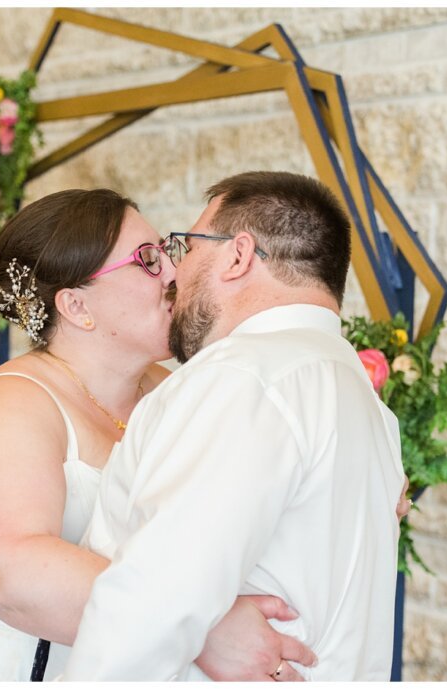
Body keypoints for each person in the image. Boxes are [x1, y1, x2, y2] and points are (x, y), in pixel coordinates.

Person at [0, 188, 319, 681]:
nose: (175, 273)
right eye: (148, 261)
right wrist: (199, 630)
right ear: (75, 306)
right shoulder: (9, 408)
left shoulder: (172, 390)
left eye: (166, 253)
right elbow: (6, 574)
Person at [63, 171, 407, 680]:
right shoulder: (371, 409)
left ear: (238, 255)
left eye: (186, 247)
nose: (173, 274)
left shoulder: (243, 380)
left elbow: (154, 601)